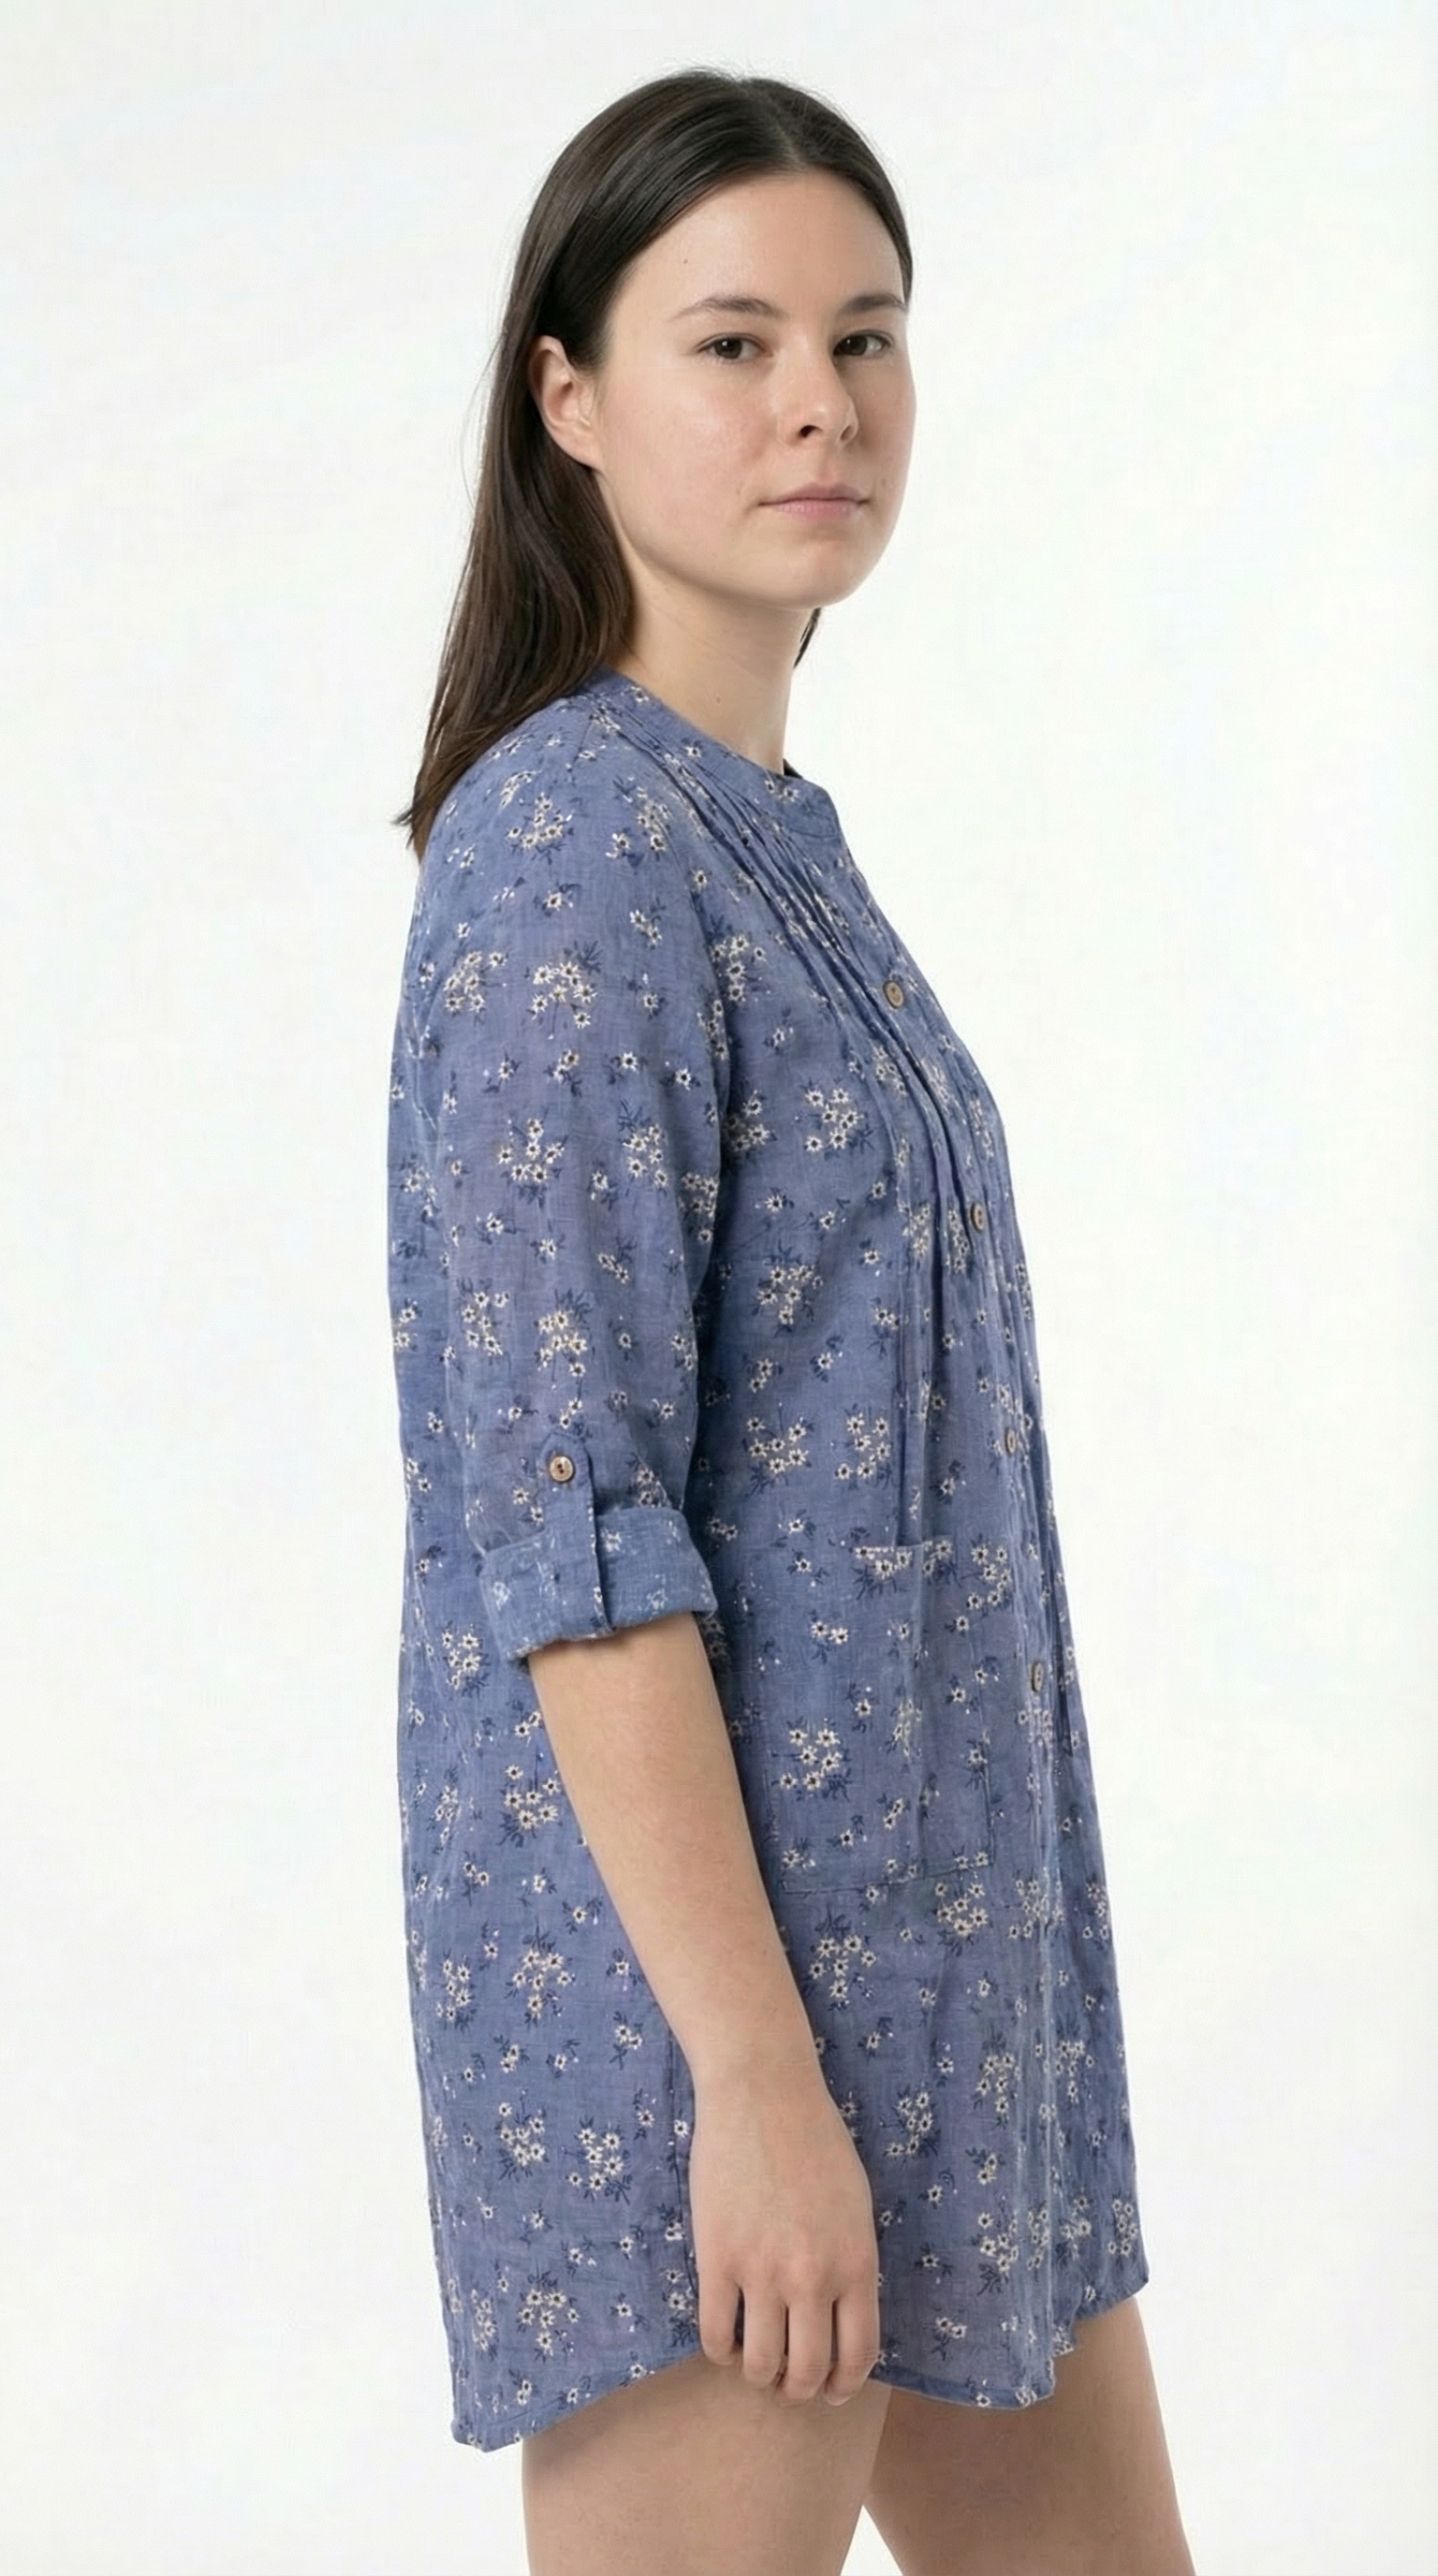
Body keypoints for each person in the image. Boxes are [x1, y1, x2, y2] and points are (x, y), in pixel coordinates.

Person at [388, 66, 1196, 2576]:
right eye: (732, 343)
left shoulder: (762, 839)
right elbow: (574, 1536)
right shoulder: (568, 850)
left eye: (866, 336)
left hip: (955, 2002)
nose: (821, 403)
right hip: (720, 2044)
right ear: (568, 397)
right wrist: (751, 2080)